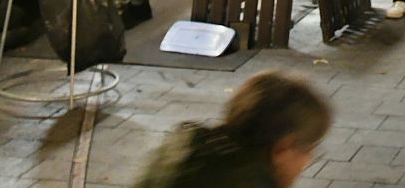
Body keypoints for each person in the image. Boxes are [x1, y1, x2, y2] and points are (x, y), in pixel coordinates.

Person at [130, 71, 330, 188]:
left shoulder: (189, 147)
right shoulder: (245, 181)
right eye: (309, 149)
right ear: (284, 148)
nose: (308, 160)